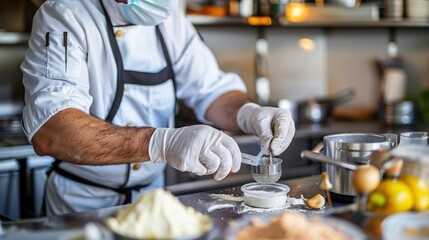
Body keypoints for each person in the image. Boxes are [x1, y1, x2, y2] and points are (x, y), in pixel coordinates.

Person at [21, 0, 295, 216]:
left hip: (154, 203)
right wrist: (160, 143)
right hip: (82, 205)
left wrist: (248, 112)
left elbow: (212, 90)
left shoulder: (169, 19)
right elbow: (53, 129)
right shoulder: (65, 13)